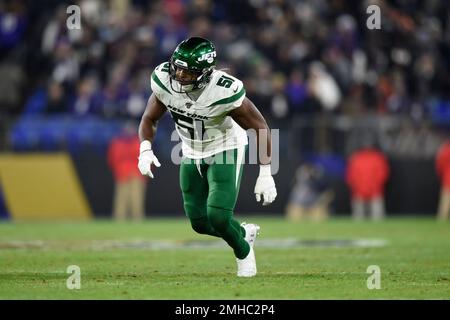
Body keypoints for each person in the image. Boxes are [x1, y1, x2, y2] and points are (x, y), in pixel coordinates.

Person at [137, 37, 277, 277]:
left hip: (225, 147)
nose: (179, 75)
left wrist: (265, 173)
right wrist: (145, 149)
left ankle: (243, 251)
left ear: (204, 73)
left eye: (187, 72)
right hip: (191, 150)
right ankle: (243, 233)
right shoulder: (163, 79)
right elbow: (149, 118)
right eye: (177, 68)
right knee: (199, 222)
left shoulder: (223, 90)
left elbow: (260, 127)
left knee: (218, 216)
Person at [107, 122, 146, 221]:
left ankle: (137, 219)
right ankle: (120, 219)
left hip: (136, 173)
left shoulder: (139, 143)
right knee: (121, 198)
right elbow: (113, 159)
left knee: (136, 198)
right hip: (122, 173)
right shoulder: (117, 143)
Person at [346, 144, 390, 221]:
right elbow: (383, 174)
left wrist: (356, 186)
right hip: (370, 190)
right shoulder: (377, 158)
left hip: (367, 190)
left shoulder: (357, 158)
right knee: (375, 217)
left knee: (362, 217)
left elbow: (350, 176)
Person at [436, 140, 450, 220]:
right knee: (444, 207)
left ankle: (441, 224)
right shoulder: (446, 149)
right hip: (448, 180)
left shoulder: (446, 149)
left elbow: (440, 164)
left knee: (444, 208)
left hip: (448, 180)